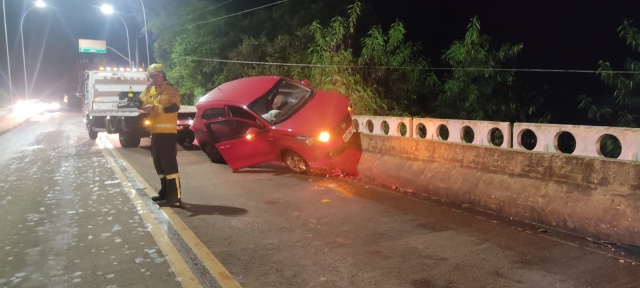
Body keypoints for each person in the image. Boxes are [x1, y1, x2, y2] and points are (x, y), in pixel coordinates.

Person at [139, 63, 183, 207]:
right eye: (149, 77)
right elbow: (138, 103)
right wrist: (147, 89)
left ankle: (174, 196)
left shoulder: (170, 89)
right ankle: (164, 192)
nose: (151, 79)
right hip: (156, 134)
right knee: (159, 165)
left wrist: (154, 108)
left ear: (160, 75)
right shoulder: (153, 91)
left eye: (152, 76)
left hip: (168, 134)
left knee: (169, 166)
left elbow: (175, 107)